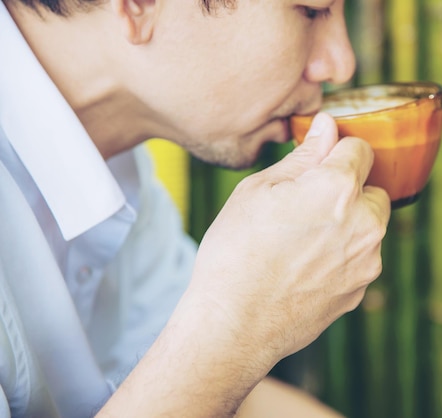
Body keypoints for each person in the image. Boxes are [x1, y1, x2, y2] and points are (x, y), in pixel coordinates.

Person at [0, 0, 391, 416]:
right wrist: (234, 329)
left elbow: (229, 400)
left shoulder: (119, 170)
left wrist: (226, 342)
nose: (340, 64)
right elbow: (200, 374)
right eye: (310, 11)